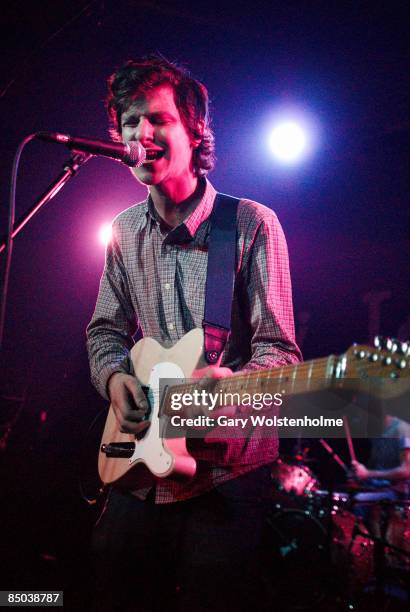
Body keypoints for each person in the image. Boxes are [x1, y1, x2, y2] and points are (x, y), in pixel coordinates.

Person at [86, 55, 301, 611]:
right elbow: (104, 331)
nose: (141, 133)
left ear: (195, 129)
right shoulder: (123, 230)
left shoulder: (253, 224)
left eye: (158, 119)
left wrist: (223, 392)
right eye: (130, 122)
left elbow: (279, 353)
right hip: (138, 469)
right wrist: (114, 381)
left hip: (223, 477)